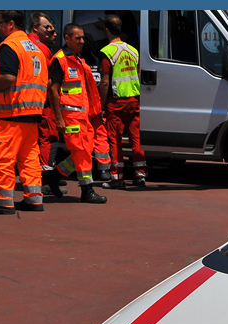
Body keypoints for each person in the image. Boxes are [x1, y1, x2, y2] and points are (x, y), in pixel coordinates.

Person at [0, 10, 48, 214]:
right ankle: (34, 199)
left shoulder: (9, 46)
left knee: (4, 158)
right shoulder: (34, 48)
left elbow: (8, 78)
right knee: (29, 159)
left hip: (11, 113)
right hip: (32, 113)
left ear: (11, 24)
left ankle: (3, 202)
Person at [44, 23, 107, 203]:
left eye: (82, 38)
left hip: (83, 116)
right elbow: (53, 90)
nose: (81, 41)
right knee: (81, 151)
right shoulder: (60, 60)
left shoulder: (78, 59)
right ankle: (87, 189)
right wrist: (59, 119)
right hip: (70, 117)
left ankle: (55, 175)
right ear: (67, 38)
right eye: (77, 38)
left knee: (86, 150)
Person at [99, 14, 146, 188]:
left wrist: (102, 104)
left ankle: (117, 178)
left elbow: (105, 82)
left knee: (115, 140)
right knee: (136, 139)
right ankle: (140, 175)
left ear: (106, 30)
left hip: (116, 102)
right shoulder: (133, 51)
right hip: (133, 100)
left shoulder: (107, 52)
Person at [28, 11, 61, 177]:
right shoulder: (42, 48)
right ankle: (46, 177)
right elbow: (48, 81)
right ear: (35, 27)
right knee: (49, 138)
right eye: (47, 27)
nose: (52, 32)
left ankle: (37, 174)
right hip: (42, 102)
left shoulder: (22, 43)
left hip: (25, 103)